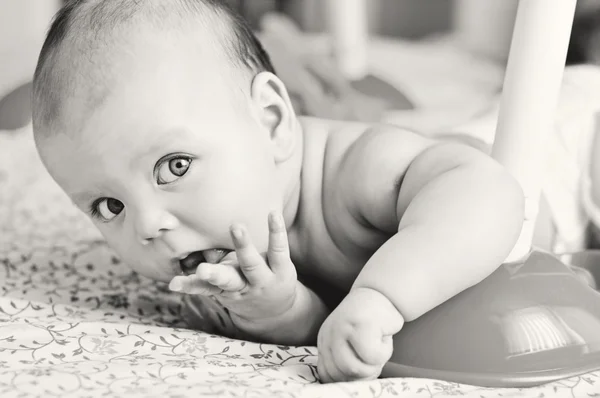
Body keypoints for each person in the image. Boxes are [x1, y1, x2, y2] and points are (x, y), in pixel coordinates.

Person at [31, 0, 524, 383]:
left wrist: (380, 298)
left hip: (566, 157)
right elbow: (319, 322)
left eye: (173, 166)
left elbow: (490, 190)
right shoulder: (219, 265)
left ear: (270, 121)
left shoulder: (363, 170)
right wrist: (279, 312)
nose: (146, 224)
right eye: (108, 205)